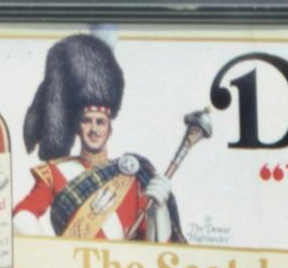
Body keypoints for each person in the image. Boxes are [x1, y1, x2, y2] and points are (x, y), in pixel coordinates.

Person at [12, 33, 180, 242]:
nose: (94, 129)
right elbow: (21, 218)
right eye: (86, 121)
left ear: (110, 129)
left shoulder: (132, 174)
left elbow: (155, 244)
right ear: (76, 127)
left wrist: (160, 209)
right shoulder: (55, 174)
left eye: (100, 122)